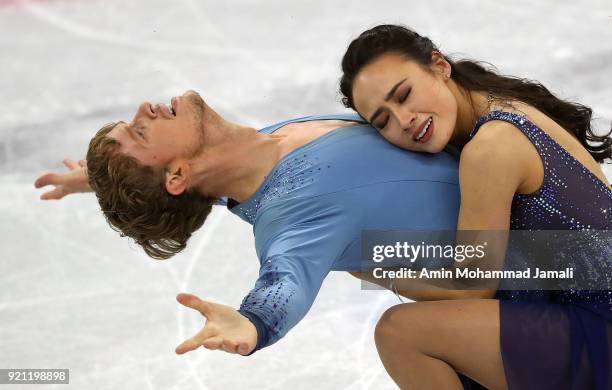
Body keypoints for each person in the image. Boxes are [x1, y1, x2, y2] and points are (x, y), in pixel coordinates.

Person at [36, 90, 493, 365]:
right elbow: (284, 279)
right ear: (175, 176)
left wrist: (97, 179)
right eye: (139, 133)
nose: (143, 108)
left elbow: (190, 187)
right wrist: (253, 323)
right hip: (552, 266)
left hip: (533, 188)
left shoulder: (250, 155)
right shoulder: (292, 220)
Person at [340, 24, 612, 390]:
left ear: (439, 65)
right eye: (384, 120)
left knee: (401, 333)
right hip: (584, 316)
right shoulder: (501, 105)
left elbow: (471, 287)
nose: (405, 121)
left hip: (601, 330)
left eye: (404, 95)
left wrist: (368, 266)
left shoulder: (491, 148)